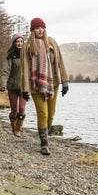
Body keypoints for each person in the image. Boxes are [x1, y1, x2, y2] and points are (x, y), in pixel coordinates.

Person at [21, 18, 69, 155]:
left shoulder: (52, 42)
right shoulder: (27, 46)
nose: (40, 30)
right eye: (37, 28)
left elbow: (60, 62)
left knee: (51, 115)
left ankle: (44, 134)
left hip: (52, 83)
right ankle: (44, 144)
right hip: (35, 84)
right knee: (43, 113)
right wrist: (24, 89)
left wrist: (65, 81)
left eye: (42, 27)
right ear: (32, 30)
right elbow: (24, 69)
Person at [0, 33, 27, 137]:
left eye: (21, 41)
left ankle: (18, 129)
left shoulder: (27, 56)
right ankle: (13, 126)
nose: (19, 43)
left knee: (22, 108)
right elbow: (5, 72)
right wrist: (3, 84)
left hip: (24, 87)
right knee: (14, 110)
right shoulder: (10, 56)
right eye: (17, 41)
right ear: (14, 43)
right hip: (12, 87)